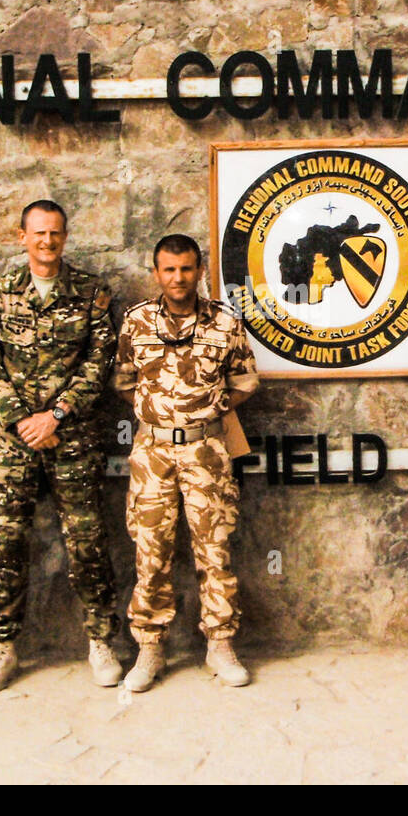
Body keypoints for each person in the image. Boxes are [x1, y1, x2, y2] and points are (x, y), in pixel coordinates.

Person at [0, 200, 121, 693]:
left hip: (72, 438)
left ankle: (101, 640)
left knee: (87, 540)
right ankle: (2, 645)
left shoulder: (94, 295)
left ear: (65, 237)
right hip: (13, 444)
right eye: (38, 233)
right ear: (22, 237)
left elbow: (99, 364)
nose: (47, 242)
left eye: (55, 233)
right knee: (6, 542)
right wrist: (23, 421)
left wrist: (55, 416)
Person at [112, 234, 258, 692]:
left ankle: (220, 643)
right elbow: (122, 380)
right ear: (156, 272)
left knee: (214, 551)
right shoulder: (136, 322)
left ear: (199, 270)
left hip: (207, 451)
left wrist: (208, 410)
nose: (179, 278)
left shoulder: (226, 322)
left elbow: (245, 381)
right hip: (153, 454)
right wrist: (160, 415)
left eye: (187, 268)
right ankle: (150, 647)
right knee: (151, 553)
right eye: (169, 269)